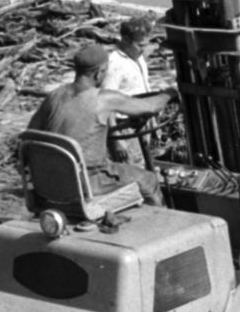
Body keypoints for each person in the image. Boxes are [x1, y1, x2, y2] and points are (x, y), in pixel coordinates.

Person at [25, 43, 177, 207]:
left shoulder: (54, 95)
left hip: (49, 180)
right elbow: (151, 106)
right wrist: (171, 93)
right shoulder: (103, 99)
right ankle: (159, 225)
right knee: (150, 180)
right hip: (89, 181)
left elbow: (29, 134)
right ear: (99, 73)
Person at [102, 15, 159, 164]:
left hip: (142, 121)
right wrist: (116, 140)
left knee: (146, 163)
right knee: (133, 167)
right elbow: (106, 103)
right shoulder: (115, 65)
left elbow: (143, 88)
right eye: (140, 45)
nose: (144, 50)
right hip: (126, 126)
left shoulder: (137, 56)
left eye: (146, 44)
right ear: (126, 40)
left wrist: (152, 120)